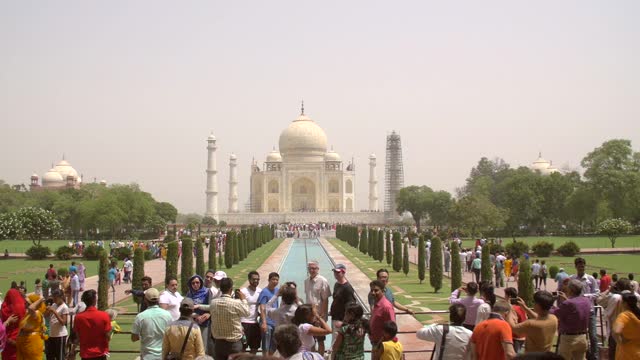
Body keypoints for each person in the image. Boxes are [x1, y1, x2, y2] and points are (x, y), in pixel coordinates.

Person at [198, 277, 249, 360]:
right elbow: (247, 313)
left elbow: (208, 307)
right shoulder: (236, 303)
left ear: (220, 289)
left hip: (219, 344)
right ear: (231, 289)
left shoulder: (214, 303)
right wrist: (243, 299)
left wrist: (199, 306)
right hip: (234, 343)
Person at [550, 279, 590, 360]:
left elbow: (555, 313)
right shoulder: (586, 301)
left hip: (569, 339)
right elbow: (575, 309)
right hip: (582, 337)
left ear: (571, 290)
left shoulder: (568, 303)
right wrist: (567, 299)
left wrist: (550, 303)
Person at [570, 257, 599, 360]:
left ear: (585, 266)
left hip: (589, 311)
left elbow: (597, 293)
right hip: (577, 311)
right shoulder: (572, 279)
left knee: (593, 336)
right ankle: (583, 356)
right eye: (579, 266)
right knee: (579, 335)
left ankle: (595, 357)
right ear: (576, 267)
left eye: (582, 266)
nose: (581, 268)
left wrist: (586, 296)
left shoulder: (590, 279)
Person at [131, 288, 173, 360]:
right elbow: (171, 334)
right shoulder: (167, 315)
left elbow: (134, 338)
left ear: (145, 300)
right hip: (163, 355)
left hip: (147, 355)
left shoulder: (140, 316)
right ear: (158, 300)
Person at [73, 290, 111, 360]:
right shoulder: (104, 315)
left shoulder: (78, 317)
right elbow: (107, 336)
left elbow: (78, 337)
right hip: (100, 353)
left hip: (85, 354)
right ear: (94, 300)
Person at [304, 260, 331, 355]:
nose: (312, 270)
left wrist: (321, 316)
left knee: (320, 340)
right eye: (310, 268)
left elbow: (325, 300)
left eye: (314, 268)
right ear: (308, 269)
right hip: (308, 316)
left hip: (319, 316)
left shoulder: (323, 281)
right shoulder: (306, 281)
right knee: (310, 340)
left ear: (318, 269)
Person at [330, 264, 356, 343]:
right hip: (335, 317)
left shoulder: (347, 288)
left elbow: (351, 306)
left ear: (343, 273)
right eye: (335, 272)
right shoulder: (337, 284)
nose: (336, 274)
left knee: (337, 341)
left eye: (338, 272)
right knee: (334, 339)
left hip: (341, 320)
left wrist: (344, 321)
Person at [16, 294, 47, 360]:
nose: (25, 303)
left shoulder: (37, 313)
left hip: (32, 345)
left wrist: (40, 299)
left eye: (27, 302)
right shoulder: (28, 314)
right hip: (25, 344)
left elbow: (31, 308)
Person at [612, 292, 640, 360]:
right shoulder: (637, 314)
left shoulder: (624, 316)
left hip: (626, 353)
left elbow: (616, 331)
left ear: (625, 303)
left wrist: (620, 341)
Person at [368, 280, 395, 349]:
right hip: (376, 343)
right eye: (371, 290)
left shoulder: (386, 307)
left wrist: (380, 344)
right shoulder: (377, 304)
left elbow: (391, 329)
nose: (373, 293)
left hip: (382, 345)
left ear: (383, 291)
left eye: (376, 290)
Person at [258, 272, 279, 356]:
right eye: (273, 279)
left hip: (274, 322)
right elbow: (262, 308)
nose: (275, 281)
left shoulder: (277, 290)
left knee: (274, 345)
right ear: (269, 280)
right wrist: (264, 323)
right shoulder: (264, 292)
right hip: (266, 322)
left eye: (277, 280)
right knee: (266, 345)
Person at [240, 271, 262, 354]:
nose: (256, 281)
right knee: (242, 349)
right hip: (244, 323)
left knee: (255, 348)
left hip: (255, 324)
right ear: (249, 280)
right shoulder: (243, 291)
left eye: (257, 279)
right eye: (254, 279)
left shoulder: (260, 291)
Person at [45, 289, 69, 360]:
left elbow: (63, 322)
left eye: (56, 298)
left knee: (60, 357)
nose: (54, 300)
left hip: (60, 335)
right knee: (50, 356)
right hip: (52, 334)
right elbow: (46, 315)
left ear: (61, 297)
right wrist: (48, 310)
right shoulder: (54, 304)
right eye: (53, 298)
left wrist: (54, 312)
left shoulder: (64, 307)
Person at [186, 275, 211, 341]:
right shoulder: (189, 294)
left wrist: (208, 315)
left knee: (203, 345)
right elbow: (186, 309)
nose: (195, 284)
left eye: (197, 282)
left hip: (205, 323)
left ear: (201, 283)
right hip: (193, 323)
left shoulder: (207, 292)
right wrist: (196, 316)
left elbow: (211, 307)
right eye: (193, 283)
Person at [504, 287, 527, 353]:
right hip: (522, 336)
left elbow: (512, 324)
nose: (504, 297)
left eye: (505, 295)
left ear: (509, 297)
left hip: (515, 338)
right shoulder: (521, 307)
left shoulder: (512, 309)